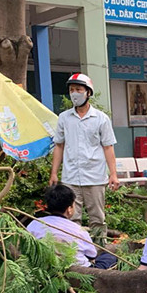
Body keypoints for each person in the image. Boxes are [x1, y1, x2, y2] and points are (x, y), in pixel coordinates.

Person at [49, 73, 119, 246]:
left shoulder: (101, 119)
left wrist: (113, 174)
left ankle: (99, 251)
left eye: (78, 89)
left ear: (88, 93)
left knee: (97, 218)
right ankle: (74, 252)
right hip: (70, 176)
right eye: (72, 90)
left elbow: (108, 147)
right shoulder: (64, 118)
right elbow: (59, 145)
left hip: (94, 177)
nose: (74, 93)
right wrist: (54, 173)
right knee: (71, 217)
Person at [27, 185, 117, 269]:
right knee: (109, 256)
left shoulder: (35, 223)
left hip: (44, 269)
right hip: (80, 272)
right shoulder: (78, 230)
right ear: (69, 209)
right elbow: (92, 254)